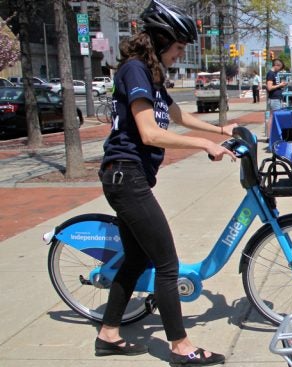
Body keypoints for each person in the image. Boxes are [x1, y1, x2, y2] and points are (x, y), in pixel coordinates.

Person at [96, 1, 235, 365]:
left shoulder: (151, 75)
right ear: (160, 41)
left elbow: (176, 114)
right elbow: (150, 133)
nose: (180, 54)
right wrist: (205, 145)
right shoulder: (134, 70)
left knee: (138, 257)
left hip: (129, 175)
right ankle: (180, 347)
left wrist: (220, 130)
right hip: (126, 176)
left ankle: (108, 333)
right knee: (167, 264)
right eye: (178, 47)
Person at [265, 58, 287, 141]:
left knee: (274, 116)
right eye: (280, 68)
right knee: (273, 117)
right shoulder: (271, 74)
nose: (280, 70)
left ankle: (271, 135)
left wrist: (281, 85)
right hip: (274, 98)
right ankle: (269, 136)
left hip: (277, 97)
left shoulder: (275, 74)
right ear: (276, 65)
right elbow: (269, 87)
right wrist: (279, 85)